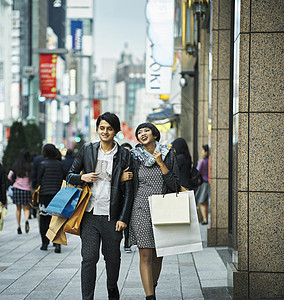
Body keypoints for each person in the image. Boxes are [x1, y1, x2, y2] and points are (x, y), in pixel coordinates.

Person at [66, 112, 133, 300]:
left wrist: (123, 218)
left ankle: (112, 286)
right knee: (88, 258)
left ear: (116, 131)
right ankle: (87, 297)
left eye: (109, 128)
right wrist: (82, 177)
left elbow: (128, 191)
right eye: (102, 128)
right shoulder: (87, 149)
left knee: (112, 260)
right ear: (97, 129)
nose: (105, 131)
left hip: (112, 217)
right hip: (89, 214)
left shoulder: (124, 155)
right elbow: (69, 175)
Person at [127, 123, 180, 300]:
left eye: (146, 131)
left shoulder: (168, 153)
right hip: (140, 207)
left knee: (158, 254)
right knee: (146, 252)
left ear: (155, 135)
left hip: (163, 207)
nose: (142, 134)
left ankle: (152, 285)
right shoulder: (133, 156)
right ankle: (150, 296)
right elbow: (127, 183)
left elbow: (175, 184)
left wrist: (160, 163)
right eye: (139, 132)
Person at [37, 144, 65, 252]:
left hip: (44, 195)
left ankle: (45, 243)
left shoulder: (42, 164)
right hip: (57, 195)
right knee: (57, 219)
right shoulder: (60, 164)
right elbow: (64, 178)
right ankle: (57, 243)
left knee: (44, 220)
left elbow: (38, 180)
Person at [8, 149, 32, 234]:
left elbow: (9, 176)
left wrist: (15, 181)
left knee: (18, 208)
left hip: (17, 188)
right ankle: (26, 220)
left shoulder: (15, 166)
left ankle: (18, 227)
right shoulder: (29, 166)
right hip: (27, 189)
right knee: (26, 207)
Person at [120, 142, 133, 253]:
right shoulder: (117, 164)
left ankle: (127, 243)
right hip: (118, 198)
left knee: (127, 221)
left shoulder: (134, 164)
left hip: (130, 197)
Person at [195, 144, 209, 225]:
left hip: (203, 182)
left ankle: (205, 219)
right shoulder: (209, 160)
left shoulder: (202, 161)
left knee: (201, 201)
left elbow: (197, 171)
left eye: (203, 150)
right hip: (208, 182)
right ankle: (205, 218)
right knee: (205, 202)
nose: (202, 152)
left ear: (206, 152)